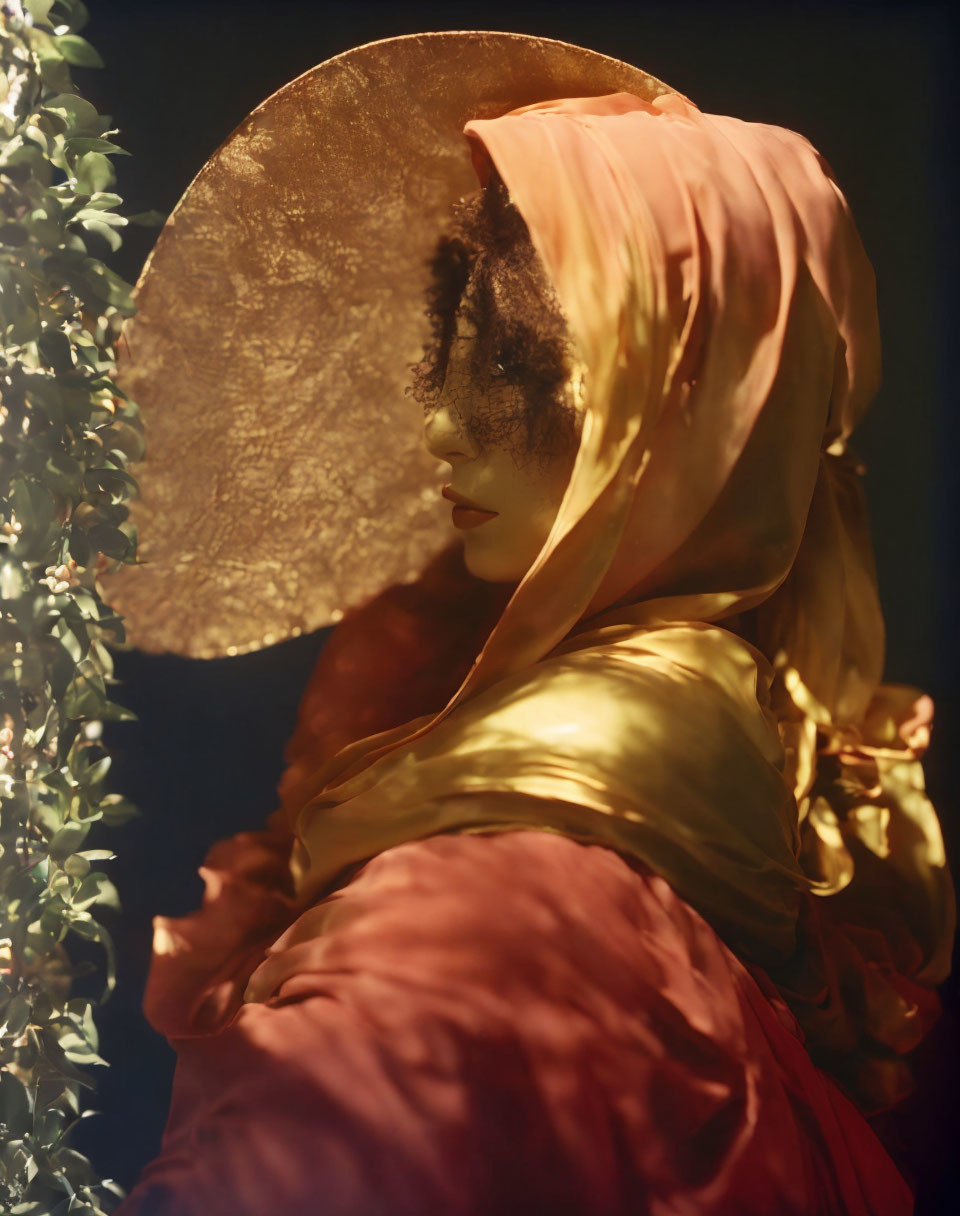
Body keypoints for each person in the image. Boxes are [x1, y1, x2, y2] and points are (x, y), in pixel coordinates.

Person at [112, 36, 953, 1216]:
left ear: (679, 407)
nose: (443, 432)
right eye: (450, 356)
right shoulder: (729, 853)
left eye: (515, 365)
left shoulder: (476, 923)